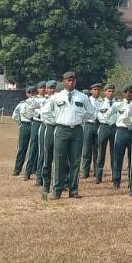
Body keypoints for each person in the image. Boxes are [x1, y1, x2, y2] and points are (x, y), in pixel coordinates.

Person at [46, 72, 90, 200]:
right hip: (61, 130)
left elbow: (91, 112)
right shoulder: (56, 97)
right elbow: (45, 112)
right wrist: (56, 121)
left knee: (75, 161)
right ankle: (57, 191)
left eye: (72, 80)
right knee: (59, 160)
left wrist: (81, 120)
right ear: (63, 82)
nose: (70, 83)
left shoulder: (82, 96)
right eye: (68, 80)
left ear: (75, 82)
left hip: (77, 130)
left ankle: (74, 190)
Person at [111, 85, 132, 189]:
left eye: (130, 92)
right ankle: (116, 181)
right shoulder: (118, 104)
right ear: (123, 93)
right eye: (126, 92)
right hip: (121, 131)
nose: (128, 94)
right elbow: (108, 114)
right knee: (117, 158)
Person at [37, 80, 58, 193]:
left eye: (53, 88)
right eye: (49, 88)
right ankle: (42, 179)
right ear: (46, 89)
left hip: (59, 128)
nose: (52, 90)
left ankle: (61, 182)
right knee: (45, 155)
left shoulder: (60, 99)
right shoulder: (44, 101)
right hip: (47, 127)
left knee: (60, 157)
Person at [94, 84, 117, 184]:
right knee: (101, 152)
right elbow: (96, 115)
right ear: (105, 92)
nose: (111, 93)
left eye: (112, 91)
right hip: (103, 127)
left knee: (115, 153)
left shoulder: (118, 103)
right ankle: (98, 176)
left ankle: (115, 176)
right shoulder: (100, 103)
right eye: (109, 91)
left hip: (115, 127)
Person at [10, 88, 35, 178]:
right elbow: (15, 115)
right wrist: (20, 124)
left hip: (34, 125)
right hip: (25, 126)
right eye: (30, 92)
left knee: (34, 149)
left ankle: (32, 169)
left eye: (33, 92)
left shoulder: (39, 103)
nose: (32, 94)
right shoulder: (22, 104)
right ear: (27, 94)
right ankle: (17, 169)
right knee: (22, 148)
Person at [79, 83, 102, 180]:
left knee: (97, 150)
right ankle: (85, 171)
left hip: (98, 125)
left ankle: (97, 172)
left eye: (98, 90)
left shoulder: (102, 101)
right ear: (91, 91)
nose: (96, 91)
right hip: (88, 125)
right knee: (87, 150)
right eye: (95, 89)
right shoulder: (86, 101)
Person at [24, 82, 44, 182]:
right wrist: (35, 116)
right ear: (38, 89)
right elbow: (26, 111)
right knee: (33, 148)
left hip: (46, 124)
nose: (43, 90)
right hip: (36, 123)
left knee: (44, 150)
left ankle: (40, 173)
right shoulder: (34, 99)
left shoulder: (50, 98)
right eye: (40, 88)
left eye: (44, 87)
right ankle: (27, 172)